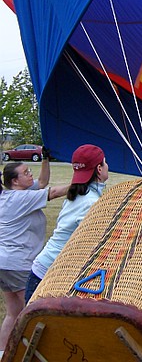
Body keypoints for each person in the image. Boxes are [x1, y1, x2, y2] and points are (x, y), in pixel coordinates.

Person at [0, 149, 69, 352]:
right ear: (15, 181)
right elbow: (54, 192)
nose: (31, 174)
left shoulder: (11, 195)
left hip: (5, 264)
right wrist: (85, 182)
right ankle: (27, 353)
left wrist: (46, 158)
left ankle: (3, 353)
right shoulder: (21, 199)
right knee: (32, 314)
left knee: (13, 313)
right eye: (26, 172)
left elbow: (42, 182)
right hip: (18, 264)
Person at [25, 144, 109, 303]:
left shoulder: (79, 194)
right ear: (99, 169)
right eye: (105, 162)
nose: (107, 166)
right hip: (49, 277)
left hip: (44, 271)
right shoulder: (89, 201)